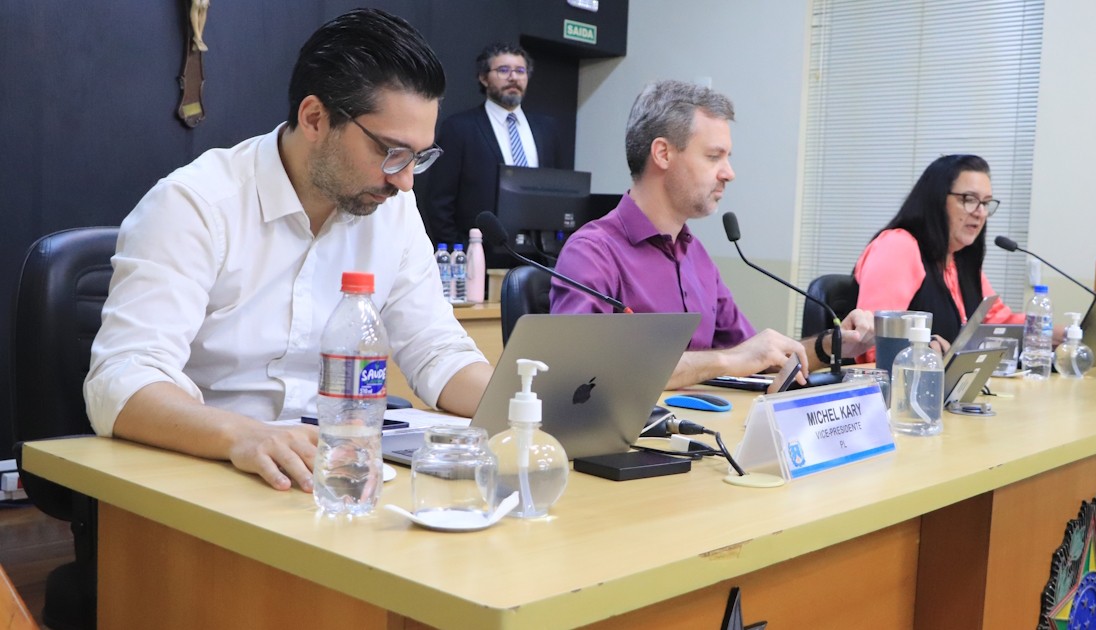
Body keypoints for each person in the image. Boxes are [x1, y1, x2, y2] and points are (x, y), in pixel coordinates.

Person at [84, 9, 492, 493]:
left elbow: (437, 350)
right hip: (208, 469)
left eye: (418, 158)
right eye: (391, 152)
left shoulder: (392, 211)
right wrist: (244, 435)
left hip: (332, 474)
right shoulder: (196, 205)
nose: (404, 181)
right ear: (315, 118)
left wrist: (527, 408)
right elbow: (121, 381)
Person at [550, 80, 874, 390]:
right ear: (663, 154)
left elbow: (755, 357)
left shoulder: (696, 255)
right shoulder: (592, 253)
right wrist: (724, 361)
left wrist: (832, 345)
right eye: (714, 156)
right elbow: (580, 372)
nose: (729, 173)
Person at [853, 154, 1023, 358]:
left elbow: (997, 321)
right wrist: (923, 352)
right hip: (898, 377)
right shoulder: (898, 246)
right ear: (937, 200)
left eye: (986, 203)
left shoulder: (960, 259)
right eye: (969, 200)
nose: (980, 213)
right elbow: (873, 343)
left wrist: (1047, 331)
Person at [419, 42, 565, 248]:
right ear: (483, 77)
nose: (513, 77)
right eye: (503, 70)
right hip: (479, 252)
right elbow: (439, 201)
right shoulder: (459, 128)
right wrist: (459, 250)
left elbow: (558, 194)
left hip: (538, 253)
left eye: (520, 71)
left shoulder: (547, 129)